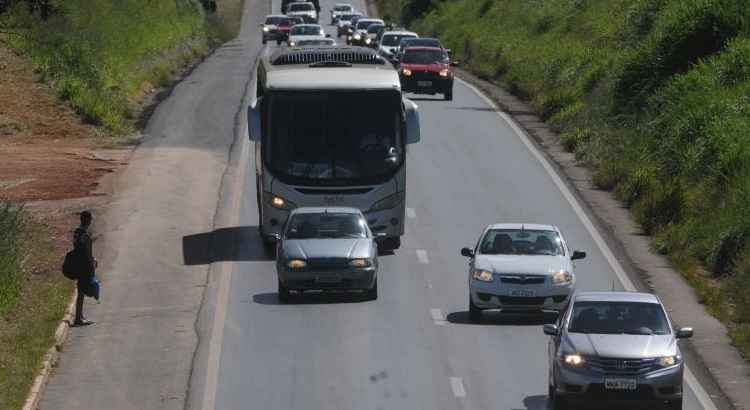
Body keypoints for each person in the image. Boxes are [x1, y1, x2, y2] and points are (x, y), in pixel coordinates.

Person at [73, 210, 96, 326]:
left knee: (80, 290)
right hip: (84, 266)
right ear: (87, 220)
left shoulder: (77, 232)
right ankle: (78, 318)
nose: (91, 221)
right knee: (81, 292)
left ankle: (80, 315)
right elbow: (88, 253)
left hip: (77, 264)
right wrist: (93, 264)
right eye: (90, 219)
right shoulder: (85, 235)